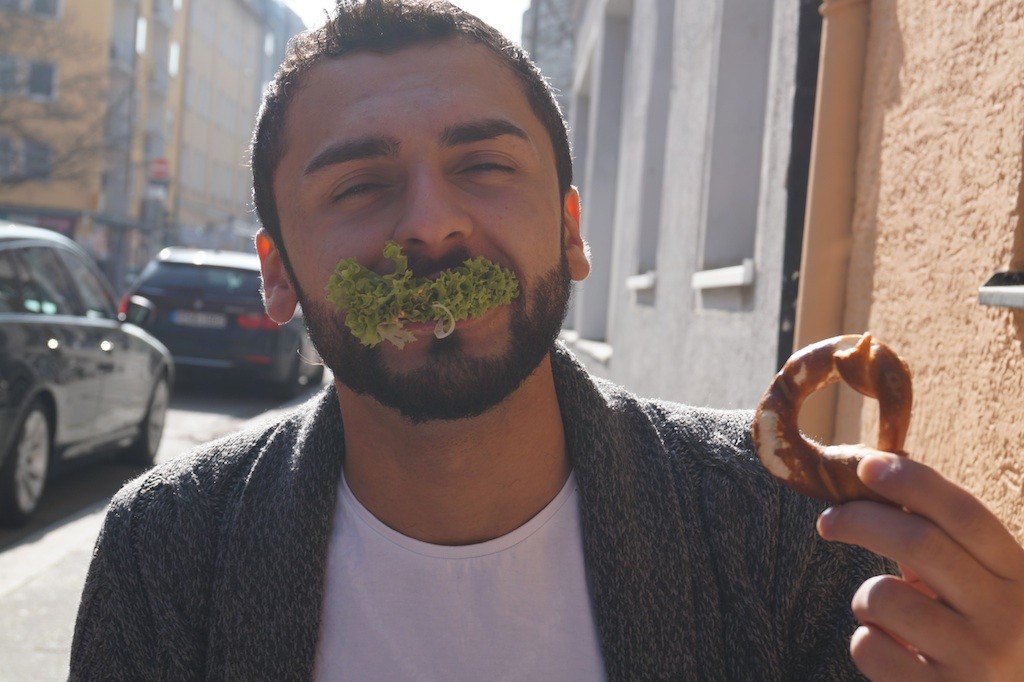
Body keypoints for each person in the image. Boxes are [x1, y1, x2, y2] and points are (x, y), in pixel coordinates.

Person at [70, 1, 1024, 679]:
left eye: (484, 166)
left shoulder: (788, 535)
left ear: (572, 231)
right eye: (359, 185)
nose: (431, 226)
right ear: (276, 271)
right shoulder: (166, 551)